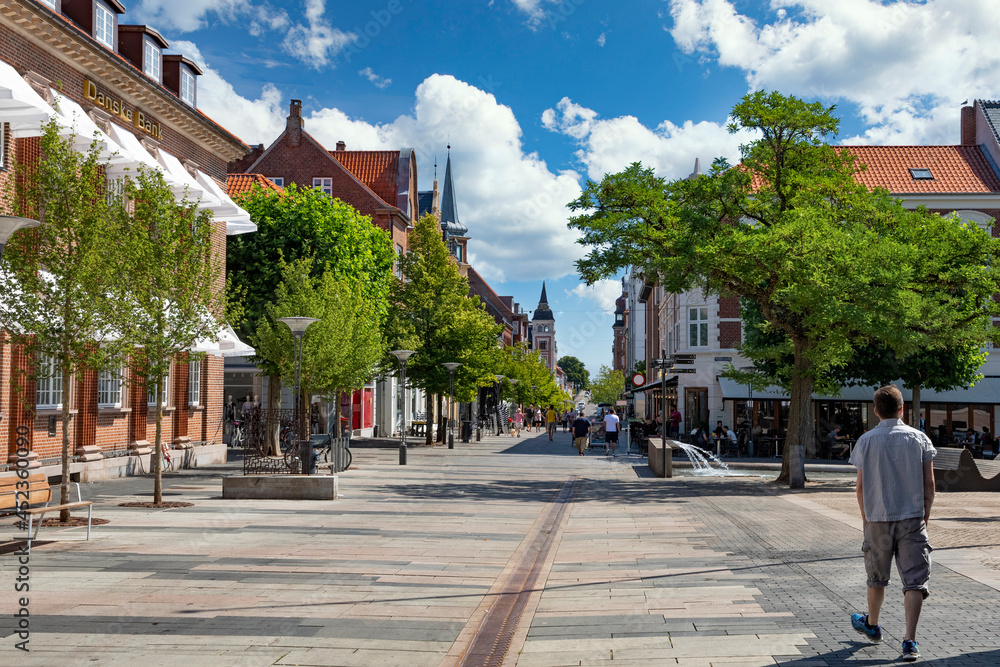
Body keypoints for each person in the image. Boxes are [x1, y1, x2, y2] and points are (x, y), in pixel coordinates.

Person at [849, 385, 935, 662]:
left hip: (877, 518)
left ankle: (872, 625)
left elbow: (860, 487)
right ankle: (910, 641)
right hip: (911, 517)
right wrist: (926, 515)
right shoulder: (918, 438)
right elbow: (929, 484)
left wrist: (866, 518)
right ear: (902, 409)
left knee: (876, 578)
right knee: (914, 582)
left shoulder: (866, 441)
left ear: (875, 411)